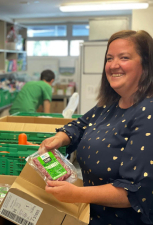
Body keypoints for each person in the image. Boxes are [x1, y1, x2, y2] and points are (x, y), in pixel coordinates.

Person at [40, 30, 153, 224]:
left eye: (124, 57)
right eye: (109, 58)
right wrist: (61, 138)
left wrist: (77, 194)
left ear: (145, 64)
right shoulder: (109, 105)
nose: (113, 65)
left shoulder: (147, 113)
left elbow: (135, 190)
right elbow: (81, 125)